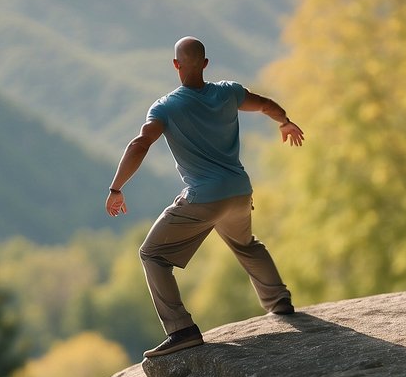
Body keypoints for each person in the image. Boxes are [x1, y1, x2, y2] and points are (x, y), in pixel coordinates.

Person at [105, 36, 305, 358]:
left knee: (153, 255)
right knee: (246, 244)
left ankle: (181, 330)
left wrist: (116, 188)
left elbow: (139, 144)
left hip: (203, 197)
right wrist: (285, 122)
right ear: (206, 64)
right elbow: (266, 104)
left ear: (175, 65)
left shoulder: (167, 107)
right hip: (239, 191)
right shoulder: (228, 92)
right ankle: (279, 302)